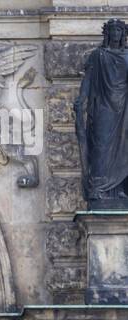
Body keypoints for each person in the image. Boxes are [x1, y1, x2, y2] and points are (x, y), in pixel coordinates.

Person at [75, 19, 128, 207]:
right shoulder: (98, 56)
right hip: (103, 109)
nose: (116, 34)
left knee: (124, 150)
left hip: (124, 111)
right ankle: (99, 188)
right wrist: (80, 101)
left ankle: (120, 189)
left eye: (119, 31)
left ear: (123, 34)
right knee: (101, 148)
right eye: (113, 30)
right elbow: (87, 82)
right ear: (108, 33)